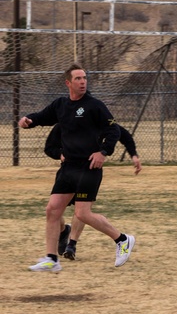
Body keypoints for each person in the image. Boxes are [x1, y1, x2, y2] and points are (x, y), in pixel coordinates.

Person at [20, 64, 136, 272]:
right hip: (68, 168)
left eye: (84, 78)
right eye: (78, 79)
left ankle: (122, 239)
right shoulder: (61, 105)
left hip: (88, 167)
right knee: (52, 210)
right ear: (68, 83)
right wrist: (29, 120)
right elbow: (42, 116)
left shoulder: (94, 105)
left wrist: (103, 152)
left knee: (82, 213)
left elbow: (113, 130)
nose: (83, 82)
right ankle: (51, 259)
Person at [44, 123, 142, 261]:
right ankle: (63, 231)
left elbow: (123, 135)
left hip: (89, 171)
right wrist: (60, 155)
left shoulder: (99, 120)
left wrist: (134, 155)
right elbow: (49, 148)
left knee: (82, 210)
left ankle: (72, 244)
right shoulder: (64, 121)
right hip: (67, 172)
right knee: (53, 210)